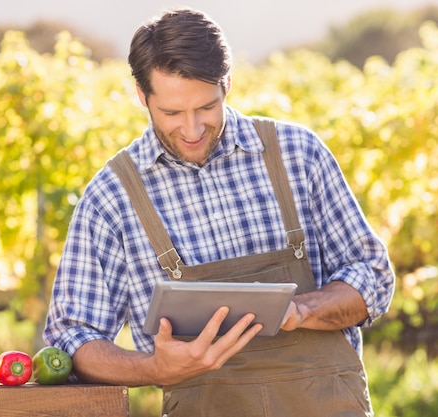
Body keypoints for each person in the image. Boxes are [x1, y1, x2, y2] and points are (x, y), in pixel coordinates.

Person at [43, 7, 395, 416]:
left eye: (206, 108)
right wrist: (154, 367)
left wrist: (301, 310)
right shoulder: (113, 197)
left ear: (227, 83)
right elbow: (72, 335)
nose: (191, 130)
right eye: (172, 113)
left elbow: (371, 275)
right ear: (142, 96)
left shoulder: (298, 154)